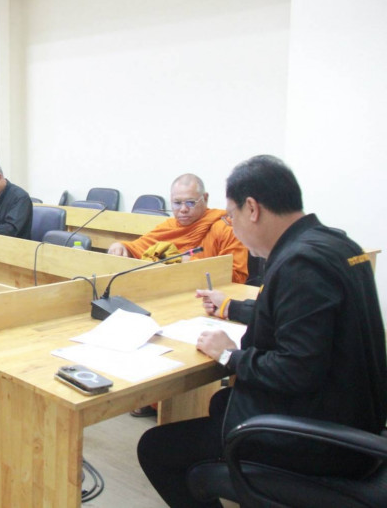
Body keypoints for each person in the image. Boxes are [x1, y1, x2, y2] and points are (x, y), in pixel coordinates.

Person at [137, 155, 386, 507]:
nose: (232, 226)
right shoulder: (336, 245)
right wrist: (230, 307)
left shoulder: (300, 263)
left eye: (231, 216)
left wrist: (229, 354)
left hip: (323, 444)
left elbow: (295, 370)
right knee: (220, 402)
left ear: (252, 208)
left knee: (156, 447)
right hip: (355, 421)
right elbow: (297, 315)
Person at [108, 174, 249, 284]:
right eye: (177, 203)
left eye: (190, 202)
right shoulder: (169, 227)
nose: (183, 209)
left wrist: (189, 263)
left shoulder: (226, 228)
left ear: (205, 198)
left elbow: (237, 277)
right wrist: (121, 247)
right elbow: (138, 248)